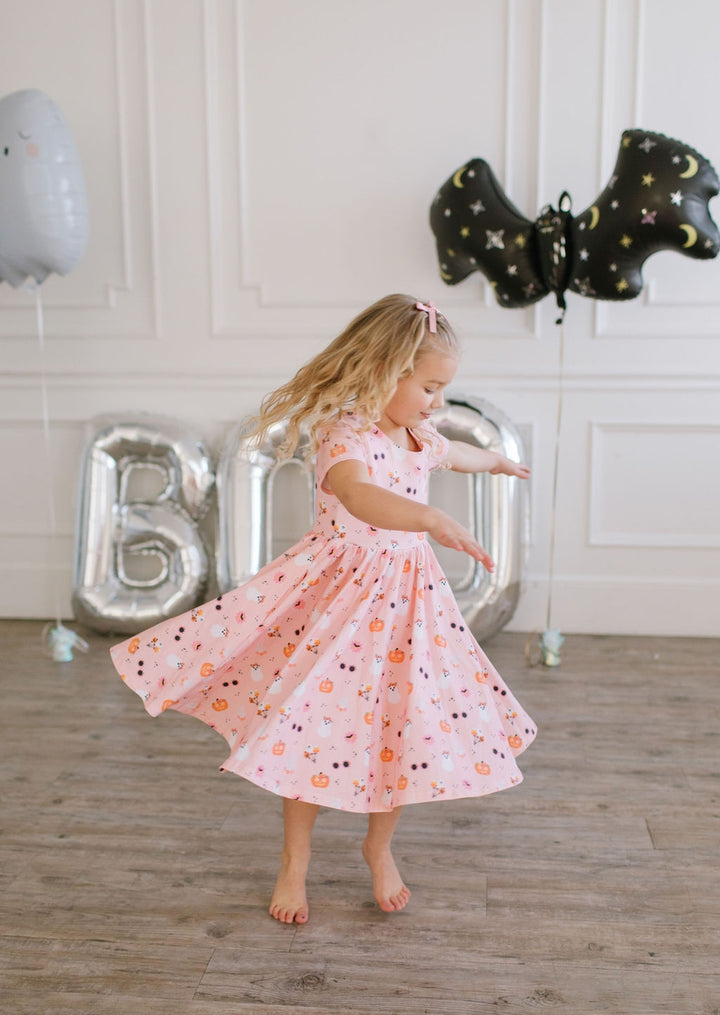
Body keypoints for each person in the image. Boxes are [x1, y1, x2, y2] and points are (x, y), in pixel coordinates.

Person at [109, 293, 536, 924]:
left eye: (443, 388)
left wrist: (493, 461)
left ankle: (379, 846)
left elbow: (453, 453)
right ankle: (294, 861)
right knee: (309, 733)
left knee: (403, 731)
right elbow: (362, 498)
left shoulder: (418, 433)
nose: (436, 401)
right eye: (429, 386)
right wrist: (427, 517)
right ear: (385, 372)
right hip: (340, 606)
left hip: (408, 608)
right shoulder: (345, 436)